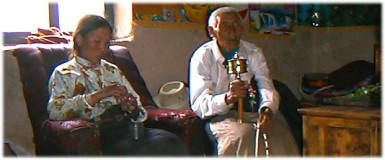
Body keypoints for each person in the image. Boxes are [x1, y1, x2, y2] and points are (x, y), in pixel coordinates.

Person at [47, 14, 189, 156]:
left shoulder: (111, 70)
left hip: (127, 128)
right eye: (97, 42)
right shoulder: (64, 73)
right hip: (99, 134)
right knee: (143, 151)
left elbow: (138, 108)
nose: (103, 49)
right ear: (79, 39)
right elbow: (55, 111)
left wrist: (131, 107)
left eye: (107, 44)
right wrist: (99, 95)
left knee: (171, 141)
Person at [189, 7, 299, 156]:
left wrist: (267, 110)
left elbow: (266, 86)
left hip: (250, 112)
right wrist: (227, 98)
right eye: (225, 25)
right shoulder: (202, 57)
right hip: (219, 117)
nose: (231, 29)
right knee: (244, 133)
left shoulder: (253, 52)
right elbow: (199, 104)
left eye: (236, 24)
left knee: (278, 126)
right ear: (211, 31)